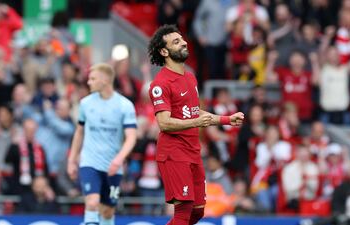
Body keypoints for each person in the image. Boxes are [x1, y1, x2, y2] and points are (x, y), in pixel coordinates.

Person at [147, 24, 244, 225]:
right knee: (183, 212)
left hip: (193, 152)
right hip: (174, 153)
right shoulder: (160, 84)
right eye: (176, 41)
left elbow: (193, 112)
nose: (183, 42)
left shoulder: (189, 77)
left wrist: (225, 119)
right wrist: (195, 122)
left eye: (182, 39)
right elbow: (164, 123)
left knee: (198, 212)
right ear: (164, 51)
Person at [67, 63, 137, 225]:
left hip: (113, 166)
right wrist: (72, 159)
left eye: (93, 79)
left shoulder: (124, 106)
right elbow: (79, 132)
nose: (89, 82)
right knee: (92, 202)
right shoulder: (85, 103)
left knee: (107, 211)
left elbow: (131, 137)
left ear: (105, 80)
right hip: (89, 162)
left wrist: (119, 159)